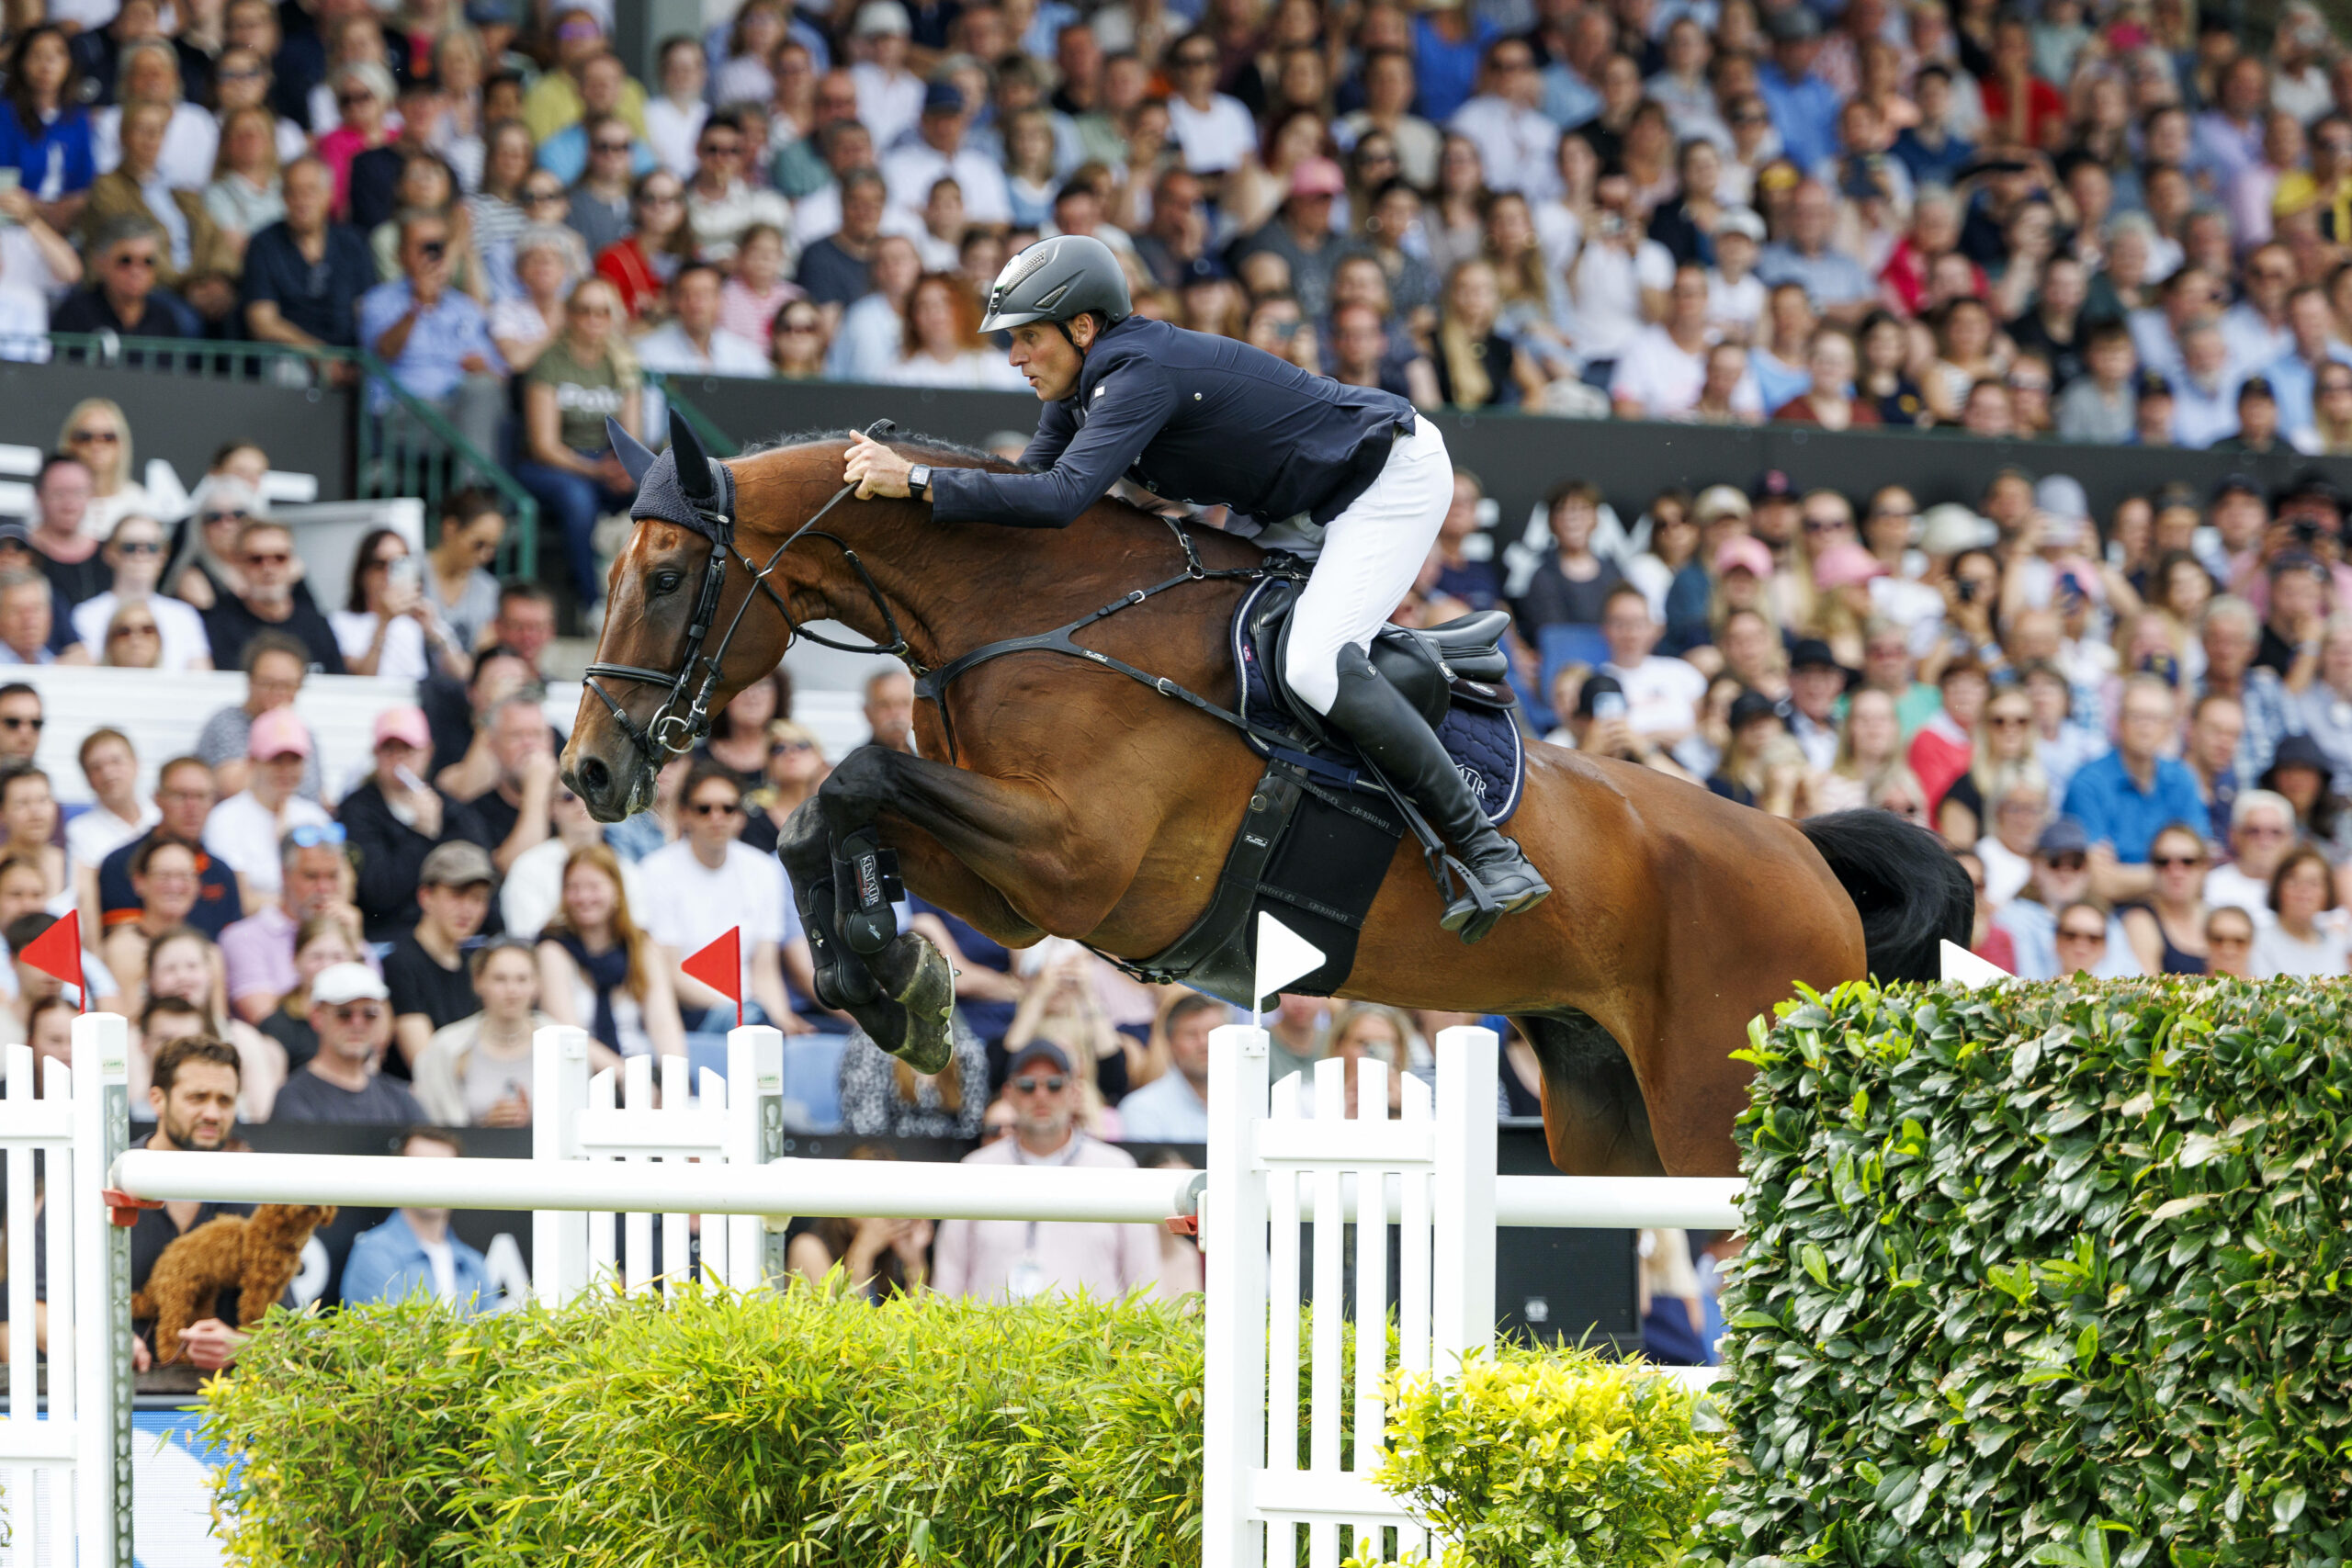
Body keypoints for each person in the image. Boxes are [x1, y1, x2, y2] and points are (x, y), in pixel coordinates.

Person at [842, 235, 1545, 942]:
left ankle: (1487, 848)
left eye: (1027, 338)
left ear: (1082, 328)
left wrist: (918, 478)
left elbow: (1060, 500)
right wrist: (904, 506)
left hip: (1385, 481)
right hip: (1300, 506)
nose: (1015, 357)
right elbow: (1023, 494)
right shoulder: (1083, 385)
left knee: (1309, 662)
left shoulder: (1135, 372)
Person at [931, 1037, 1161, 1301]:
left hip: (1092, 1341)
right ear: (1009, 1095)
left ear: (1074, 1092)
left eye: (1054, 1085)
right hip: (990, 1339)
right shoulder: (975, 1169)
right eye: (1028, 1086)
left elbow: (1144, 1283)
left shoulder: (1117, 1169)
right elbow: (948, 1280)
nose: (1041, 1096)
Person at [639, 767, 809, 1032]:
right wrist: (742, 1013)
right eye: (704, 809)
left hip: (751, 1014)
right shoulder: (656, 870)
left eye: (728, 808)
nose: (716, 817)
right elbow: (671, 972)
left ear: (740, 817)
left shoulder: (763, 869)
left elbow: (764, 969)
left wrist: (781, 1020)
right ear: (684, 814)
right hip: (688, 1012)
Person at [514, 275, 641, 611]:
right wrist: (597, 471)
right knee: (577, 500)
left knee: (656, 491)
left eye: (603, 312)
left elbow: (632, 436)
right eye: (585, 311)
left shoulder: (623, 361)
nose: (594, 320)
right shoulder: (550, 361)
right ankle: (592, 602)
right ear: (569, 314)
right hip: (551, 463)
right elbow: (544, 444)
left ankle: (641, 597)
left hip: (604, 461)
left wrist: (625, 469)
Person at [128, 1035, 253, 1372]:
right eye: (198, 1097)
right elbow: (29, 1306)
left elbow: (290, 1326)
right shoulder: (102, 1178)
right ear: (158, 1100)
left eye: (225, 1100)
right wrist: (96, 1342)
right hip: (111, 1401)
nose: (212, 1113)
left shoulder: (250, 1191)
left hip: (223, 1411)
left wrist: (246, 1348)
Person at [340, 705, 492, 943]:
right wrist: (421, 835)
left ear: (428, 752)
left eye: (408, 749)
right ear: (376, 754)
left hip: (455, 938)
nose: (398, 757)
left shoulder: (453, 810)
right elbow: (378, 893)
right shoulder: (356, 810)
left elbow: (480, 874)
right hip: (388, 939)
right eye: (389, 749)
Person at [535, 842, 682, 1069]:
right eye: (573, 887)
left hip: (640, 1066)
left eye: (594, 887)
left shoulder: (641, 946)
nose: (583, 897)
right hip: (578, 1071)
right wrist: (624, 1078)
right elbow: (566, 1032)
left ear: (617, 891)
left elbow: (664, 1023)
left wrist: (675, 1078)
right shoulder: (552, 948)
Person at [2061, 675, 2207, 899]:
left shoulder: (2182, 779)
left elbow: (2201, 868)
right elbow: (2099, 883)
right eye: (2136, 717)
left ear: (2169, 727)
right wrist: (2177, 872)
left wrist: (2124, 875)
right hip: (2111, 915)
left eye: (2155, 718)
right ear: (2119, 722)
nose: (2145, 727)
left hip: (2175, 910)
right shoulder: (2088, 784)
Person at [338, 1127, 495, 1309]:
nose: (434, 1181)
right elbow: (391, 1332)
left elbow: (491, 1333)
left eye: (445, 1171)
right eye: (422, 1169)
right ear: (397, 1176)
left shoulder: (473, 1263)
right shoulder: (374, 1252)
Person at [219, 827, 361, 1024]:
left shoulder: (349, 929)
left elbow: (377, 1027)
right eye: (311, 876)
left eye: (332, 876)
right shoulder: (244, 937)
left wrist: (353, 943)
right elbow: (267, 1020)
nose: (324, 888)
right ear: (284, 875)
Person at [97, 755, 242, 938]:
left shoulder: (222, 874)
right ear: (157, 798)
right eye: (181, 796)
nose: (192, 807)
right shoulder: (121, 864)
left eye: (201, 796)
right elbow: (123, 947)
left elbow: (231, 946)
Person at [201, 709, 333, 909]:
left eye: (294, 760)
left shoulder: (315, 816)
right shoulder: (225, 818)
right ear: (252, 762)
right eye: (277, 760)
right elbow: (239, 900)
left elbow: (339, 888)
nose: (286, 770)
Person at [384, 840, 495, 1075]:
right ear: (426, 896)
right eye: (457, 895)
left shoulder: (474, 963)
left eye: (477, 898)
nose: (468, 910)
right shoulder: (400, 963)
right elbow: (426, 1064)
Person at [413, 941, 551, 1126]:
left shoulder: (561, 1040)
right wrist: (486, 1127)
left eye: (522, 979)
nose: (512, 990)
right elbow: (433, 1126)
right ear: (478, 982)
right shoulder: (447, 1046)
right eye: (500, 979)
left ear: (537, 984)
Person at [270, 962, 427, 1122]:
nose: (357, 1024)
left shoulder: (400, 1098)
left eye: (369, 1014)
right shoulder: (294, 1098)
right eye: (344, 1014)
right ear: (317, 1017)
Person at [71, 513, 212, 671]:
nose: (141, 555)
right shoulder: (86, 614)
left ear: (163, 556)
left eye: (152, 547)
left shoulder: (184, 616)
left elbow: (202, 678)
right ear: (110, 553)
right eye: (130, 547)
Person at [202, 519, 345, 675]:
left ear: (293, 562)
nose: (268, 569)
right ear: (239, 564)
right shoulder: (217, 627)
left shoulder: (317, 624)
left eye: (279, 558)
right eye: (256, 559)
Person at [193, 634, 322, 803]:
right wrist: (276, 727)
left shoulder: (302, 730)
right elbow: (233, 788)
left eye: (288, 685)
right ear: (250, 680)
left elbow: (314, 791)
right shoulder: (227, 722)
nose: (279, 692)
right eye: (268, 683)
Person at [331, 527, 463, 683]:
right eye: (380, 565)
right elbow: (361, 680)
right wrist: (383, 622)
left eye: (400, 564)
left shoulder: (423, 618)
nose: (388, 573)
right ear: (362, 572)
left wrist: (433, 634)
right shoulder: (342, 622)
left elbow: (462, 674)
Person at [1115, 990, 1218, 1140]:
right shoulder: (1142, 1109)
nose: (1204, 1043)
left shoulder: (1259, 1101)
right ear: (1170, 1043)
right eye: (1191, 1034)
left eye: (1213, 1032)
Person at [2120, 821, 2213, 975]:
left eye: (2187, 862)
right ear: (2153, 868)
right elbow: (2150, 991)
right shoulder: (2140, 920)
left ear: (2204, 866)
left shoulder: (2216, 917)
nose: (2176, 872)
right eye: (2163, 862)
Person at [2252, 844, 2348, 977]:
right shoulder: (2256, 942)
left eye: (2313, 883)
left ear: (2327, 893)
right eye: (2293, 881)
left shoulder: (2338, 944)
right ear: (2278, 887)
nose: (2303, 890)